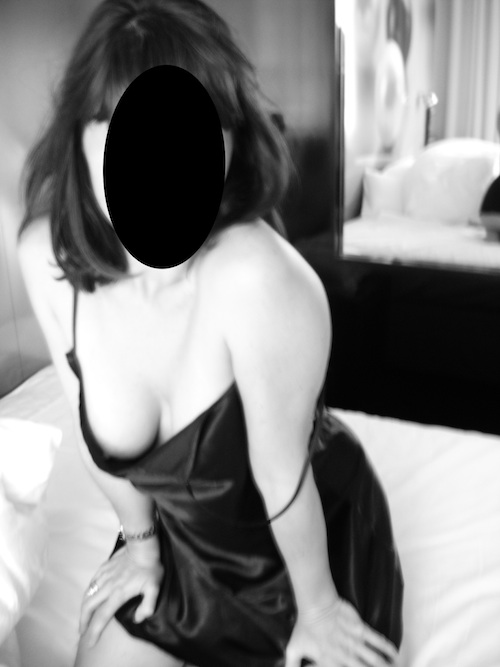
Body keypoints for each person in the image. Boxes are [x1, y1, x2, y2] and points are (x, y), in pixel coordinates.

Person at [17, 1, 403, 666]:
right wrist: (142, 548)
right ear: (80, 136)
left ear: (228, 141)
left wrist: (317, 610)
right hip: (177, 543)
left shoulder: (256, 277)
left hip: (295, 555)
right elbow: (93, 435)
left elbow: (282, 474)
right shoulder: (47, 261)